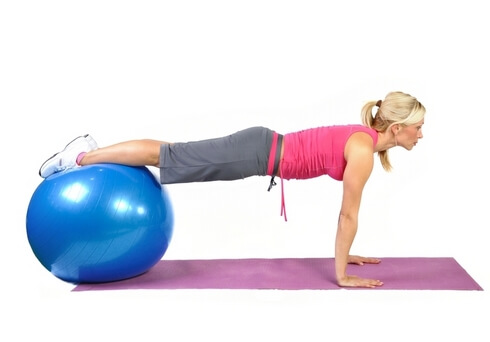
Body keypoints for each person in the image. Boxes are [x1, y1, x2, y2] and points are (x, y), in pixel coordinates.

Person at [38, 91, 426, 288]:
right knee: (169, 155)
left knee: (172, 154)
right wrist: (341, 274)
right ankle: (81, 158)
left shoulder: (362, 143)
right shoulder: (361, 151)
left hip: (259, 149)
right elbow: (348, 215)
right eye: (417, 127)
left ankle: (87, 154)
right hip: (255, 153)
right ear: (396, 129)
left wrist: (347, 254)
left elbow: (346, 218)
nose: (420, 134)